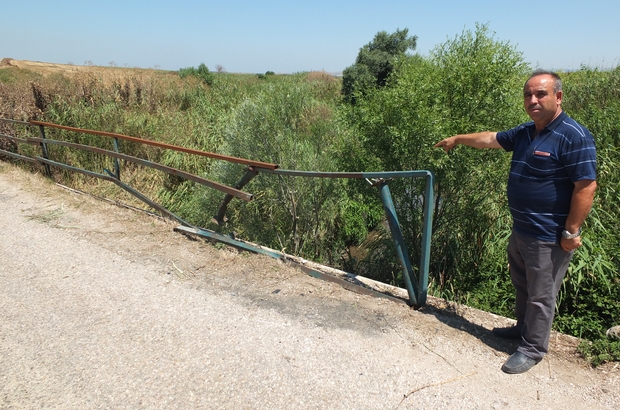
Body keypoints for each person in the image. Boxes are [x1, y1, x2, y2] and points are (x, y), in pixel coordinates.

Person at [434, 70, 597, 374]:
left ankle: (533, 348)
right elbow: (491, 139)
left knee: (541, 293)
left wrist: (571, 231)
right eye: (528, 95)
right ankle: (523, 329)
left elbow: (586, 186)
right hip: (522, 229)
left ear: (558, 97)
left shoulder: (574, 135)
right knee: (522, 283)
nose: (533, 100)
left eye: (540, 94)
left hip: (549, 235)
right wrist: (459, 139)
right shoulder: (527, 131)